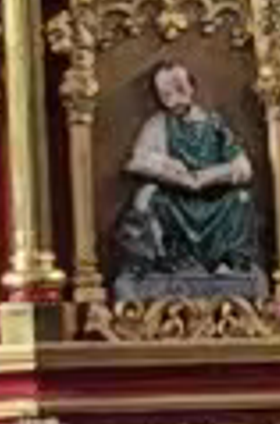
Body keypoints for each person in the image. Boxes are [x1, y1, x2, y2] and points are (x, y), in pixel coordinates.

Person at [108, 51, 267, 297]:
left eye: (179, 87)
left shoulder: (214, 124)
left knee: (241, 200)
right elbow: (138, 160)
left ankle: (229, 263)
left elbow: (243, 167)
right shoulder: (158, 124)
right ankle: (169, 261)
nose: (173, 97)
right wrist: (166, 167)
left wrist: (212, 175)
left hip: (213, 197)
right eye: (166, 93)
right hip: (175, 197)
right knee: (150, 199)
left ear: (192, 87)